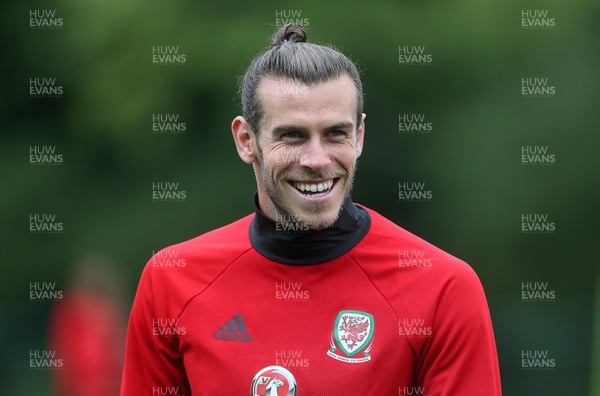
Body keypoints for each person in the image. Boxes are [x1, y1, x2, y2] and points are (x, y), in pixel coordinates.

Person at [121, 24, 502, 395]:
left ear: (360, 137)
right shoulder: (171, 282)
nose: (317, 159)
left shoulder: (443, 288)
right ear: (246, 141)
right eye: (292, 135)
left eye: (336, 133)